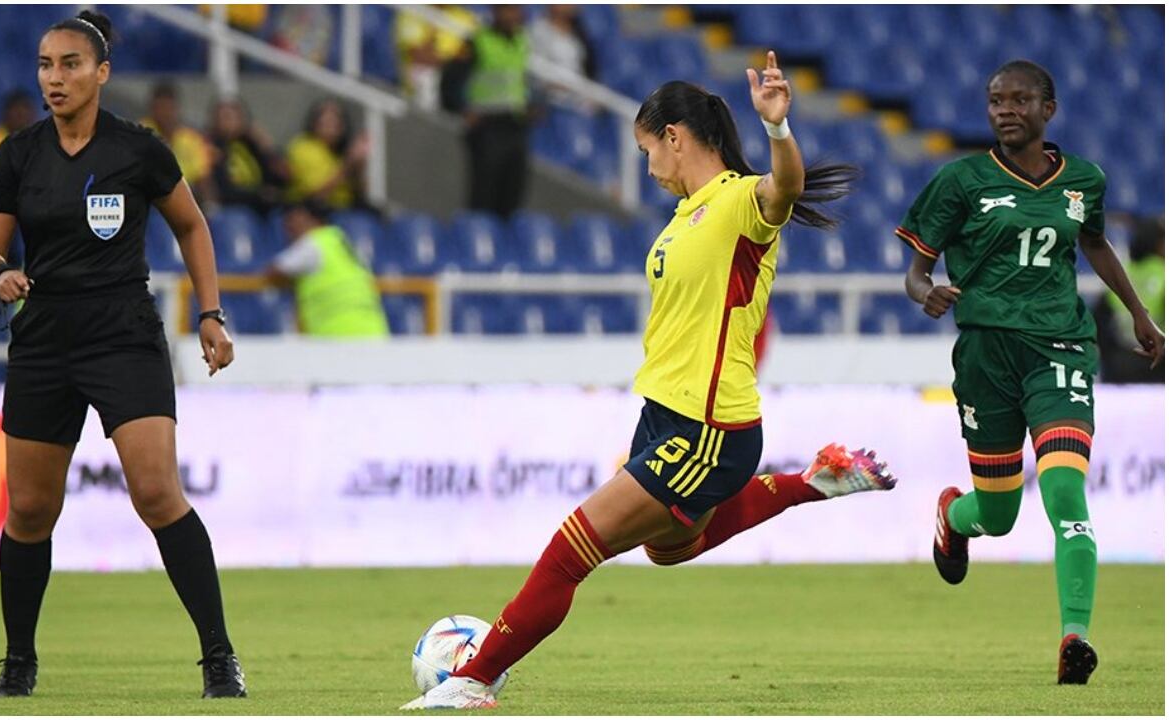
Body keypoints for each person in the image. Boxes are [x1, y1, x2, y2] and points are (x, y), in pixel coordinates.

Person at [404, 52, 891, 710]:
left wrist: (778, 127)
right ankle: (817, 479)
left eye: (646, 148)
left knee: (571, 547)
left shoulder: (741, 202)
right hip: (663, 415)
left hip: (708, 428)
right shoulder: (683, 216)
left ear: (674, 136)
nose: (647, 164)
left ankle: (473, 678)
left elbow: (786, 187)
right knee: (668, 550)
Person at [0, 10, 247, 699]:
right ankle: (20, 662)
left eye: (69, 64)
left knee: (156, 492)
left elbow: (191, 224)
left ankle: (220, 660)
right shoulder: (16, 154)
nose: (54, 78)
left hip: (123, 333)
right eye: (44, 65)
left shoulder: (139, 150)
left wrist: (211, 314)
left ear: (101, 73)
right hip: (43, 340)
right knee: (31, 511)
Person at [896, 60, 1165, 685]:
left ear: (1049, 109)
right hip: (987, 356)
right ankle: (952, 518)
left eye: (1019, 100)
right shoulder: (961, 180)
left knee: (1066, 491)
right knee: (998, 516)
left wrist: (1139, 313)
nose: (1005, 110)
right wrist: (923, 291)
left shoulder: (1085, 182)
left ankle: (1076, 637)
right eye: (995, 101)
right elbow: (915, 268)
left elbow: (1094, 243)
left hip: (1061, 348)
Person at [443, 5, 533, 217]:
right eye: (507, 10)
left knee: (512, 197)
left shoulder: (521, 40)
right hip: (487, 127)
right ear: (496, 12)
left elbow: (520, 80)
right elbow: (450, 80)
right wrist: (460, 109)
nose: (512, 16)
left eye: (515, 10)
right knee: (484, 196)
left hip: (515, 125)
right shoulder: (478, 41)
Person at [264, 200, 390, 338]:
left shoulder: (313, 243)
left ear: (313, 220)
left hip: (338, 332)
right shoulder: (339, 239)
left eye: (294, 220)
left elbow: (275, 269)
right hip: (373, 328)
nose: (289, 227)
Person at [1093, 216, 1165, 383]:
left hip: (1121, 365)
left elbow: (1099, 321)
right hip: (1158, 364)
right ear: (1158, 244)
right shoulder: (1163, 273)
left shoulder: (1122, 275)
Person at [285, 98, 371, 212]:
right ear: (314, 124)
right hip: (312, 212)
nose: (332, 127)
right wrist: (347, 167)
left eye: (336, 122)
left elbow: (361, 194)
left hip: (347, 209)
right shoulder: (302, 147)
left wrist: (359, 167)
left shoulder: (343, 150)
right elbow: (314, 197)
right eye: (327, 122)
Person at [207, 97, 289, 215]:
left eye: (234, 117)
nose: (230, 123)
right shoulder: (212, 147)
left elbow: (279, 178)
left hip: (263, 206)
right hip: (233, 209)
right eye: (225, 117)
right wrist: (259, 194)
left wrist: (267, 149)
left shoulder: (251, 143)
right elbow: (223, 190)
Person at [141, 80, 217, 208]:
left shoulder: (192, 138)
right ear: (152, 109)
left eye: (169, 108)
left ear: (177, 108)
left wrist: (211, 205)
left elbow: (202, 178)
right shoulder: (140, 133)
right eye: (160, 108)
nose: (165, 114)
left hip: (187, 198)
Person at [394, 4, 478, 112]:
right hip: (414, 85)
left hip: (451, 86)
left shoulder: (466, 18)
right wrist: (451, 58)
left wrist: (446, 60)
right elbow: (418, 56)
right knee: (426, 73)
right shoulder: (412, 10)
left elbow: (466, 58)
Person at [528, 5, 598, 112]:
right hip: (552, 103)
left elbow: (584, 69)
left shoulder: (579, 33)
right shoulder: (539, 31)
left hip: (579, 99)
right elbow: (537, 74)